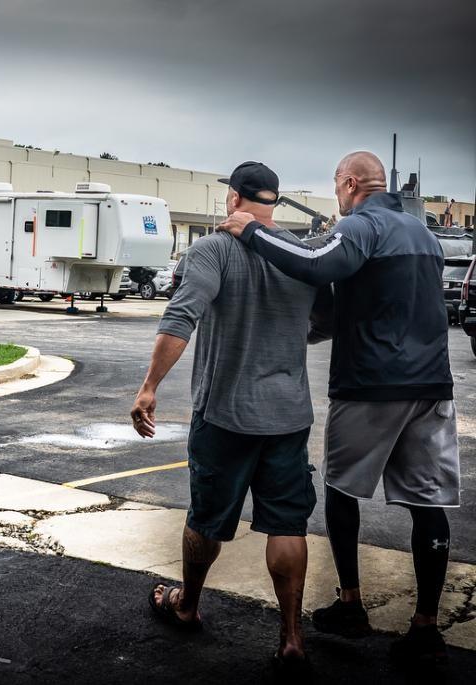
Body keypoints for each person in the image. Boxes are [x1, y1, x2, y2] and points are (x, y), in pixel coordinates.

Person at [217, 151, 458, 665]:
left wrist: (250, 232)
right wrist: (310, 332)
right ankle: (426, 627)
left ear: (349, 184)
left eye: (336, 187)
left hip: (372, 384)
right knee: (427, 502)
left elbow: (318, 263)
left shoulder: (363, 225)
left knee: (341, 490)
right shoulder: (424, 235)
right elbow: (370, 301)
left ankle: (351, 604)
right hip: (432, 386)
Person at [130, 161, 331, 677]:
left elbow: (181, 316)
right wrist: (286, 336)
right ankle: (290, 638)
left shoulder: (212, 249)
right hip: (289, 416)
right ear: (275, 203)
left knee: (207, 516)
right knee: (287, 523)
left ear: (234, 198)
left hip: (225, 416)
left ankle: (188, 606)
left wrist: (150, 386)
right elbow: (328, 321)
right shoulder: (301, 253)